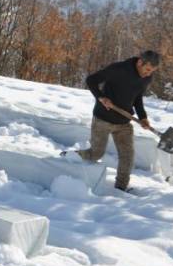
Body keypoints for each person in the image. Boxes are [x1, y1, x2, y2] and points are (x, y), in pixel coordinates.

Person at [66, 50, 160, 192]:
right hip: (103, 118)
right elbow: (91, 80)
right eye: (147, 69)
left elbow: (137, 97)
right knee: (96, 153)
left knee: (127, 156)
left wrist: (143, 117)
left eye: (152, 71)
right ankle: (70, 155)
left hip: (123, 122)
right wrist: (102, 97)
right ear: (140, 62)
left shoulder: (146, 78)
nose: (148, 74)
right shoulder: (119, 69)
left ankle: (121, 188)